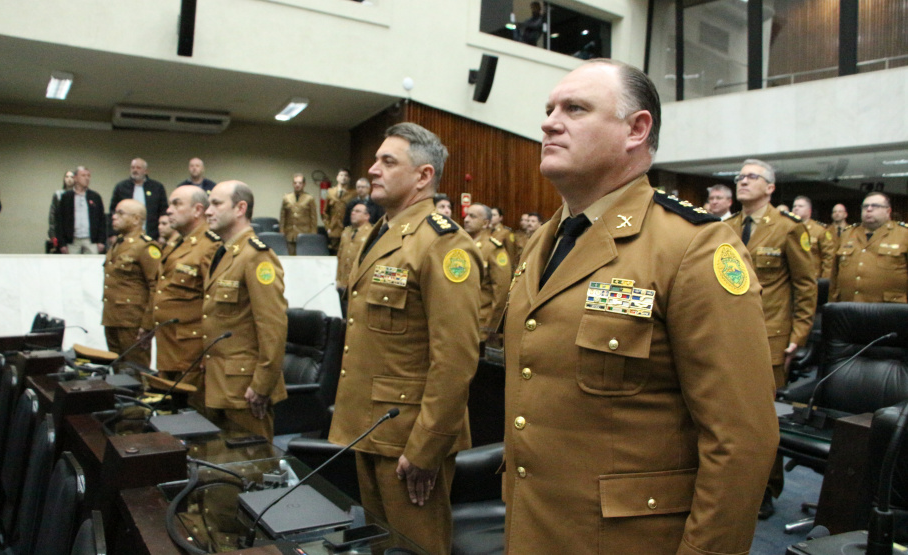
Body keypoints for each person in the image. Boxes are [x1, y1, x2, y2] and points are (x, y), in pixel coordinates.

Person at [503, 59, 778, 555]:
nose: (548, 121)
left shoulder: (693, 247)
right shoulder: (542, 242)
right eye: (548, 109)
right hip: (533, 526)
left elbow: (741, 441)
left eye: (575, 108)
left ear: (637, 129)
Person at [328, 123, 481, 555]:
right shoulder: (380, 234)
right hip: (372, 426)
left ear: (423, 176)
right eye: (375, 159)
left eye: (387, 161)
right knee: (383, 547)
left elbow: (455, 359)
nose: (372, 170)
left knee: (416, 548)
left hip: (410, 438)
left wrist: (427, 449)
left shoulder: (443, 245)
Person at [726, 158, 816, 519]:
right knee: (726, 413)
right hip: (729, 334)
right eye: (740, 176)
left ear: (770, 187)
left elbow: (805, 286)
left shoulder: (789, 228)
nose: (743, 181)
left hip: (770, 336)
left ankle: (765, 489)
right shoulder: (725, 226)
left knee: (763, 419)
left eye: (752, 177)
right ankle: (730, 484)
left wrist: (799, 336)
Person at [202, 180, 287, 440]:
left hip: (246, 389)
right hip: (219, 382)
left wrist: (262, 385)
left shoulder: (256, 256)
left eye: (216, 203)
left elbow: (272, 325)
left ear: (240, 208)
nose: (207, 211)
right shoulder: (225, 253)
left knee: (251, 467)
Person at [149, 185, 221, 388]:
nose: (169, 210)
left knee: (190, 414)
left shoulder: (211, 246)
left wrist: (211, 352)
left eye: (176, 204)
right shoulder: (176, 243)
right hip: (169, 347)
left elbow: (218, 305)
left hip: (192, 353)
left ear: (198, 210)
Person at [102, 199, 159, 367]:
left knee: (136, 371)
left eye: (120, 213)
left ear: (136, 219)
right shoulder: (118, 243)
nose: (114, 217)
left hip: (133, 322)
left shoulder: (146, 247)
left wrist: (148, 325)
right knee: (117, 371)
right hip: (113, 318)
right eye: (115, 213)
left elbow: (156, 286)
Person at [830, 192, 908, 303]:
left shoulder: (903, 234)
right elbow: (834, 277)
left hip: (890, 311)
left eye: (875, 206)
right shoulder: (847, 234)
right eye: (865, 206)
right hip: (849, 307)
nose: (869, 209)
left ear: (888, 211)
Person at [463, 203, 511, 338]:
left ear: (485, 223)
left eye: (472, 216)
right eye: (466, 215)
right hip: (463, 318)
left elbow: (501, 291)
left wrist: (493, 326)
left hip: (482, 321)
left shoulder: (493, 248)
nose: (466, 220)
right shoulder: (464, 246)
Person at [110, 157, 169, 240]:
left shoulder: (157, 187)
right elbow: (113, 211)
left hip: (152, 233)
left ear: (146, 171)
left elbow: (163, 211)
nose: (135, 170)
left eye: (138, 168)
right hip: (125, 235)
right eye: (133, 167)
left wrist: (163, 235)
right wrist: (113, 234)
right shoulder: (121, 187)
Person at [55, 166, 106, 254]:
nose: (87, 178)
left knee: (92, 265)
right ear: (75, 178)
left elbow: (102, 220)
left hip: (91, 240)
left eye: (88, 176)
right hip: (72, 241)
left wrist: (101, 241)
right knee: (71, 266)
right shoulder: (66, 197)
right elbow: (59, 221)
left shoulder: (95, 197)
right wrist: (62, 243)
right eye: (83, 175)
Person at [791, 195, 836, 279]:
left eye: (800, 206)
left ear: (809, 210)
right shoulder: (787, 229)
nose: (796, 208)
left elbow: (829, 258)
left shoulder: (819, 230)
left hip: (813, 279)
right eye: (794, 206)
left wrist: (825, 281)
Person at [279, 173, 317, 255]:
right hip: (290, 233)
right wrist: (282, 231)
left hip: (305, 234)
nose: (297, 185)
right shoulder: (287, 198)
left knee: (304, 257)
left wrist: (313, 235)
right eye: (295, 183)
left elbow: (313, 218)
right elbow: (283, 217)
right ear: (293, 184)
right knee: (290, 257)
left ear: (304, 184)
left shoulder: (309, 198)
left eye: (300, 183)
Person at [336, 203, 372, 289]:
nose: (353, 213)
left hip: (360, 282)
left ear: (366, 216)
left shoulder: (371, 233)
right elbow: (340, 257)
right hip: (343, 282)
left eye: (358, 211)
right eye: (352, 211)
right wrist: (338, 279)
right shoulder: (346, 232)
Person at [323, 168, 355, 253]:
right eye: (341, 175)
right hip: (334, 229)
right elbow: (325, 212)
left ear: (349, 178)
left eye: (346, 175)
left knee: (346, 253)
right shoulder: (330, 192)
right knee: (334, 254)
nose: (343, 177)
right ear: (337, 177)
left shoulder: (353, 194)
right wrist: (328, 227)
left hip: (348, 229)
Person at [48, 169, 75, 253]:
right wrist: (52, 234)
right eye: (67, 177)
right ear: (64, 179)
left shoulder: (79, 195)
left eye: (71, 177)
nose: (69, 179)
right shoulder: (58, 194)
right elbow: (52, 214)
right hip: (60, 231)